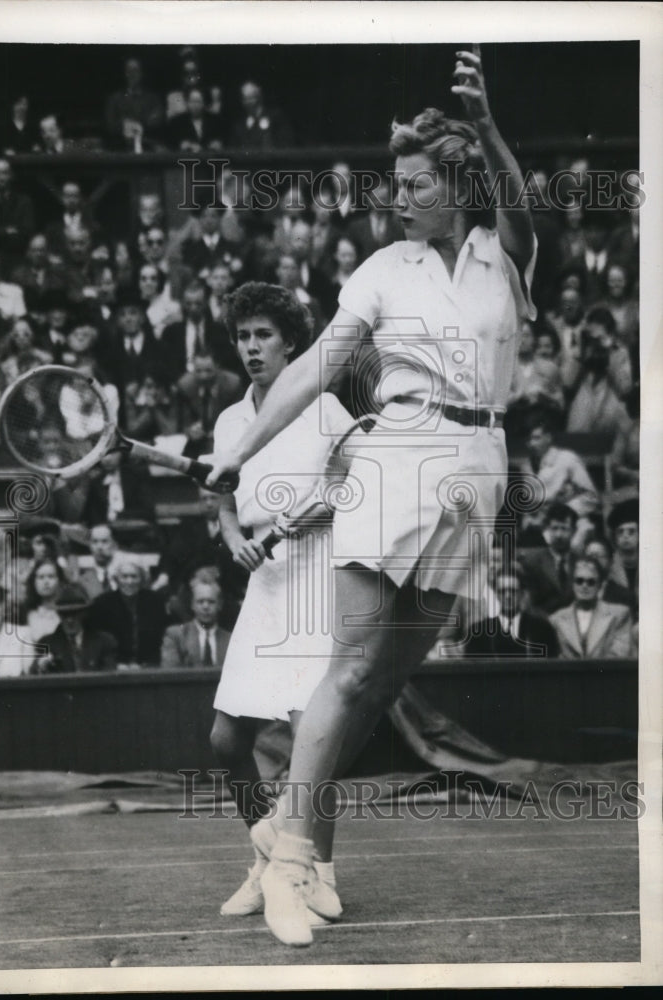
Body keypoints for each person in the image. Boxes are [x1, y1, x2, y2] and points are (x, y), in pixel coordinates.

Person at [208, 46, 536, 946]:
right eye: (394, 182)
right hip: (399, 453)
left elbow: (518, 201)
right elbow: (315, 366)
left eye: (413, 182)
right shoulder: (382, 268)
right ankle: (286, 865)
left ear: (454, 182)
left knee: (386, 680)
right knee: (349, 671)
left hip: (479, 466)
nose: (397, 195)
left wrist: (488, 119)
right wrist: (241, 447)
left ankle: (293, 836)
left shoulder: (503, 253)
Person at [208, 281, 352, 926]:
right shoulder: (230, 421)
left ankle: (318, 873)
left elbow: (358, 484)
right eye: (243, 336)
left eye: (264, 334)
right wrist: (237, 537)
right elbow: (221, 498)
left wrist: (311, 514)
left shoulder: (323, 409)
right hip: (263, 586)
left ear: (292, 341)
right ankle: (266, 859)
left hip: (317, 584)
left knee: (306, 737)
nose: (252, 347)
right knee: (223, 739)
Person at [549, 556, 634, 659]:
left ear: (600, 585)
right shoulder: (556, 619)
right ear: (572, 584)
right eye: (579, 581)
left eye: (591, 582)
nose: (584, 586)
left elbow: (619, 656)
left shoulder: (619, 615)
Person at [464, 566, 560, 658]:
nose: (508, 596)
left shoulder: (542, 629)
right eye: (503, 591)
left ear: (522, 593)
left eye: (513, 591)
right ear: (496, 594)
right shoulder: (479, 631)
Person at [32, 585, 118, 674]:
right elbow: (34, 676)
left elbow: (109, 675)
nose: (70, 620)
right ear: (58, 614)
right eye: (64, 614)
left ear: (85, 613)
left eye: (75, 613)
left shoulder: (105, 642)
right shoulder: (46, 644)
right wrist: (40, 666)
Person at [160, 579, 231, 668]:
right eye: (200, 601)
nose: (205, 607)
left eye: (211, 602)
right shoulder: (177, 636)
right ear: (192, 604)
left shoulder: (230, 639)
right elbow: (169, 674)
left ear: (220, 605)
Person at [19, 557, 68, 644]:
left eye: (51, 576)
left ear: (60, 580)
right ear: (34, 581)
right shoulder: (24, 613)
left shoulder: (68, 612)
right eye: (41, 577)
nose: (46, 582)